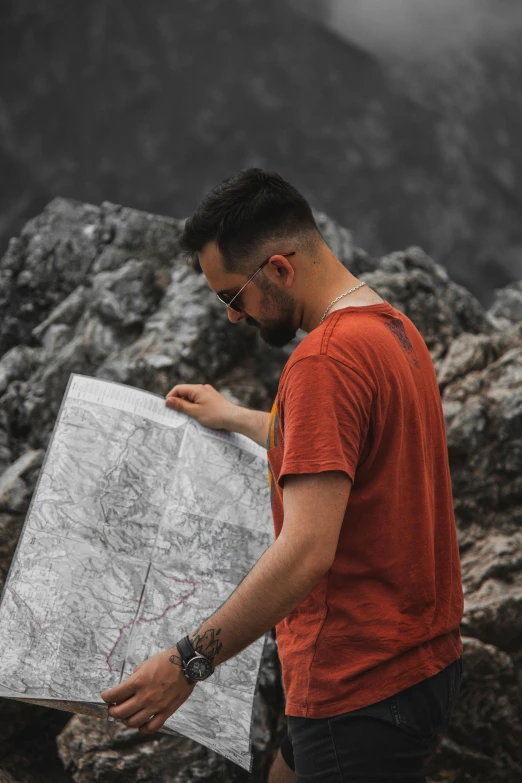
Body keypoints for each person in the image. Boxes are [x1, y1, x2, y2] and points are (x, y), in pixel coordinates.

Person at [101, 168, 464, 783]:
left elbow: (306, 552)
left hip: (357, 685)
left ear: (279, 268)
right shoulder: (392, 328)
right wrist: (238, 417)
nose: (232, 319)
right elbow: (351, 455)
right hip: (424, 661)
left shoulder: (322, 362)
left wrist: (186, 663)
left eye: (231, 297)